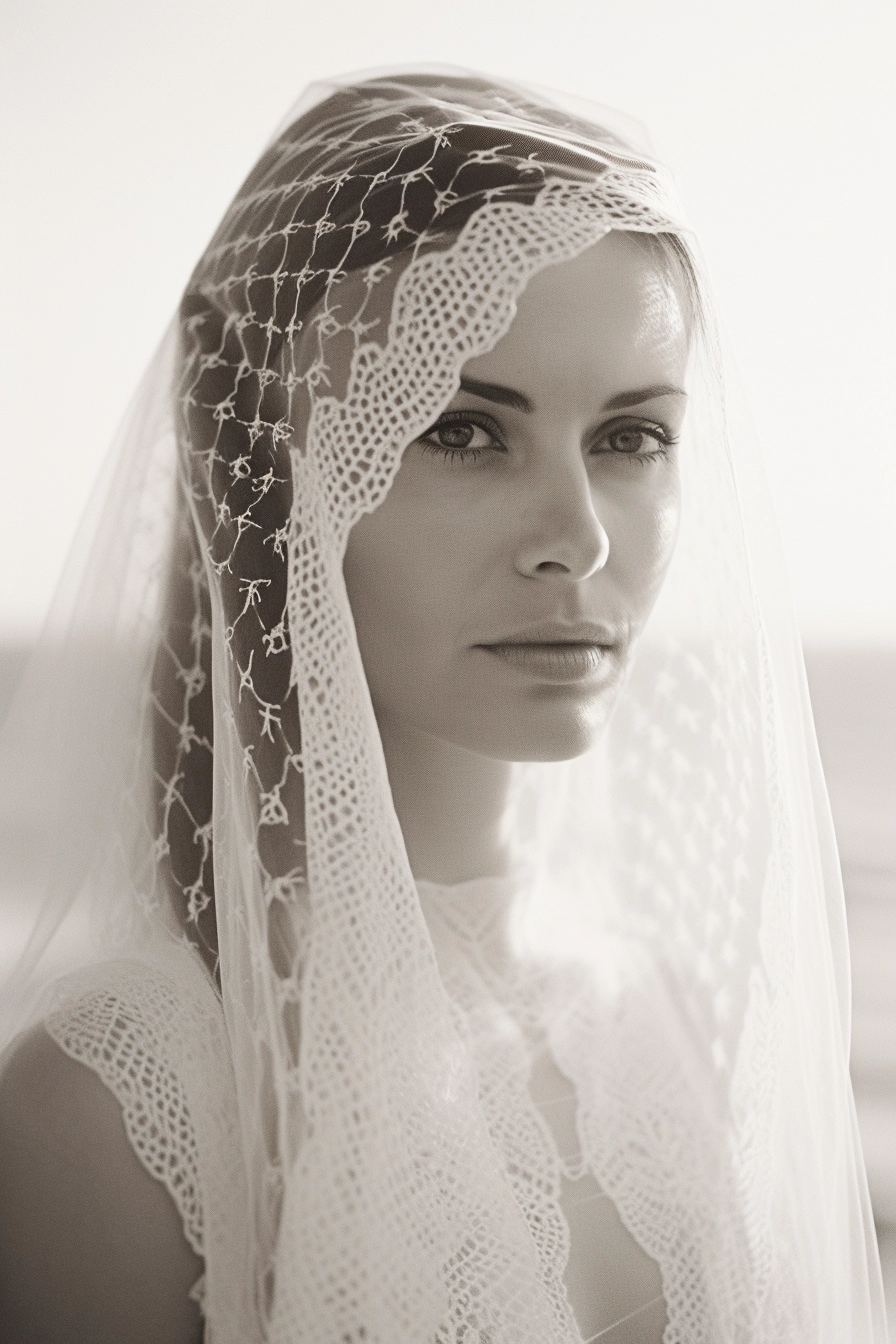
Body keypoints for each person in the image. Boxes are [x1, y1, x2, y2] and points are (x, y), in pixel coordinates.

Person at [0, 69, 886, 1343]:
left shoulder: (646, 1018)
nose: (576, 539)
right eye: (465, 431)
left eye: (631, 437)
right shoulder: (118, 1108)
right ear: (272, 477)